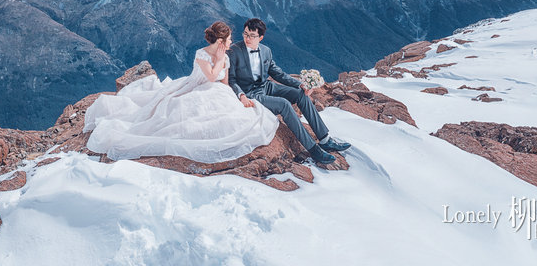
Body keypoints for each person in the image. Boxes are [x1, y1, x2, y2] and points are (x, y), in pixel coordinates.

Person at [83, 21, 279, 163]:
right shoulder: (202, 55)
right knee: (175, 114)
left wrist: (233, 97)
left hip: (217, 91)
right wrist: (219, 60)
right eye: (228, 40)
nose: (231, 43)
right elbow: (210, 76)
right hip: (195, 87)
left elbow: (225, 82)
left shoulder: (225, 57)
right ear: (220, 41)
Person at [228, 17, 351, 166]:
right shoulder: (234, 51)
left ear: (261, 37)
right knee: (284, 104)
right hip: (249, 94)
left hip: (266, 86)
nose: (247, 38)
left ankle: (325, 140)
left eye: (252, 35)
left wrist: (300, 85)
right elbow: (231, 79)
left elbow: (278, 74)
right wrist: (241, 95)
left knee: (300, 94)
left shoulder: (266, 51)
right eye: (245, 34)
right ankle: (314, 149)